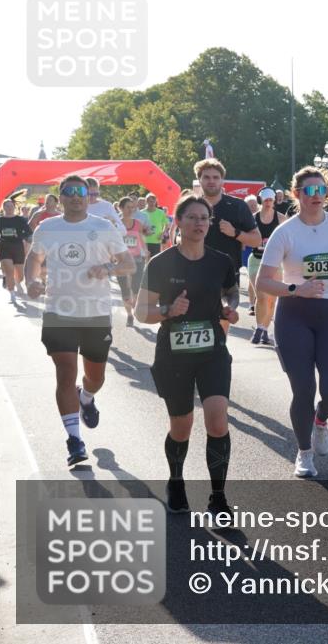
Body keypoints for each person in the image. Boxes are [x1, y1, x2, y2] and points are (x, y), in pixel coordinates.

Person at [136, 195, 240, 515]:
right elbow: (141, 312)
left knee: (217, 421)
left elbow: (231, 291)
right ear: (178, 222)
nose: (199, 223)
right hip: (174, 355)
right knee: (181, 426)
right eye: (192, 217)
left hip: (212, 352)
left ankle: (218, 496)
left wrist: (230, 308)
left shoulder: (221, 261)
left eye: (204, 218)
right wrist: (168, 310)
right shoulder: (161, 263)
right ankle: (177, 481)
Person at [24, 176, 135, 466]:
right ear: (60, 197)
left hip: (95, 314)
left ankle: (86, 397)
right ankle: (74, 440)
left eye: (81, 192)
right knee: (65, 372)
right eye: (69, 192)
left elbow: (128, 264)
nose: (75, 196)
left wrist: (108, 267)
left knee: (95, 377)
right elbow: (33, 260)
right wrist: (31, 281)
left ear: (89, 197)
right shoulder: (47, 228)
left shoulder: (103, 227)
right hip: (58, 312)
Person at [258, 168, 328, 476]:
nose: (315, 197)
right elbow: (263, 281)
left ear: (327, 194)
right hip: (295, 317)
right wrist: (295, 289)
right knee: (303, 389)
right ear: (296, 194)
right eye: (308, 191)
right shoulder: (285, 232)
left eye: (320, 191)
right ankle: (304, 452)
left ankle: (321, 420)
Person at [196, 158, 262, 332]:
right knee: (198, 323)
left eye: (215, 177)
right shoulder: (192, 206)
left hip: (227, 277)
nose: (211, 181)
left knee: (222, 321)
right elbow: (178, 239)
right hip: (195, 271)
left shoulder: (237, 206)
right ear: (200, 180)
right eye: (207, 177)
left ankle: (218, 356)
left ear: (222, 180)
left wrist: (235, 233)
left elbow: (256, 240)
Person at [249, 188, 285, 345]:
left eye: (271, 200)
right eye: (266, 200)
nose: (268, 203)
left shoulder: (282, 218)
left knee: (271, 299)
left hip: (275, 263)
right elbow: (247, 237)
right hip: (256, 260)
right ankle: (259, 328)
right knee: (261, 296)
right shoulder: (252, 219)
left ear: (274, 201)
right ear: (260, 201)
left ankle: (262, 331)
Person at [118, 197, 149, 327]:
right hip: (121, 260)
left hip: (137, 258)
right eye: (128, 207)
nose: (131, 210)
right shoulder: (117, 224)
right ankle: (129, 315)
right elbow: (112, 242)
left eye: (132, 207)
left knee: (136, 288)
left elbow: (140, 238)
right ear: (121, 208)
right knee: (125, 289)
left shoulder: (138, 223)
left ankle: (134, 305)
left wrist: (146, 251)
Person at [0, 198, 33, 304]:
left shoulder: (20, 219)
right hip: (4, 246)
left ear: (14, 207)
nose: (9, 208)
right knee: (9, 272)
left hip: (18, 247)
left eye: (11, 206)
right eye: (7, 206)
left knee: (20, 275)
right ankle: (12, 294)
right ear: (3, 208)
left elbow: (29, 232)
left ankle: (17, 283)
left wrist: (20, 237)